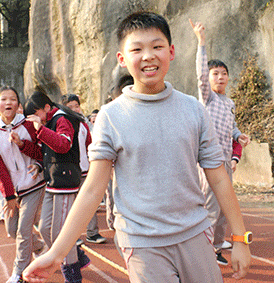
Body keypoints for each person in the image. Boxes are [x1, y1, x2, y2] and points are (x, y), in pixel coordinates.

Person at [23, 12, 251, 283]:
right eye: (137, 49)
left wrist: (240, 239)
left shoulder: (194, 109)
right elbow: (94, 187)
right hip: (142, 244)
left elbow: (219, 177)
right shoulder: (111, 115)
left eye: (157, 46)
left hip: (195, 235)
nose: (148, 56)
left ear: (172, 51)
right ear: (122, 59)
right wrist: (57, 253)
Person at [190, 19, 251, 265]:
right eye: (216, 73)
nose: (220, 77)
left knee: (225, 209)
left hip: (226, 161)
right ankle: (205, 250)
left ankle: (216, 244)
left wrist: (239, 136)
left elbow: (231, 127)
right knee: (211, 208)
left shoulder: (229, 103)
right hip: (209, 161)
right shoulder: (208, 98)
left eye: (224, 73)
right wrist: (201, 42)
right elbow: (201, 76)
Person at [25, 90, 89, 283]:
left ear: (46, 108)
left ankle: (72, 273)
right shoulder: (46, 124)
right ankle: (77, 253)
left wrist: (40, 129)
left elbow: (63, 145)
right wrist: (23, 145)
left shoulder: (62, 119)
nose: (36, 119)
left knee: (59, 232)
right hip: (53, 181)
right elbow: (45, 151)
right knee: (44, 228)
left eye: (37, 113)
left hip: (66, 181)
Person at [0, 86, 46, 283]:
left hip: (34, 185)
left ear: (19, 105)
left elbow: (42, 154)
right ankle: (39, 247)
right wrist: (9, 195)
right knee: (12, 230)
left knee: (23, 231)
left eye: (13, 99)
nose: (9, 102)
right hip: (14, 190)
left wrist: (22, 145)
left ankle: (19, 273)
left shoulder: (29, 126)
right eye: (4, 99)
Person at [62, 94, 106, 245]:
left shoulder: (83, 124)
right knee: (70, 206)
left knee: (90, 202)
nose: (75, 109)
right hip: (69, 171)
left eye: (76, 106)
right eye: (70, 106)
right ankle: (71, 237)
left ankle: (92, 233)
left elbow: (89, 144)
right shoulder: (62, 124)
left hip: (85, 169)